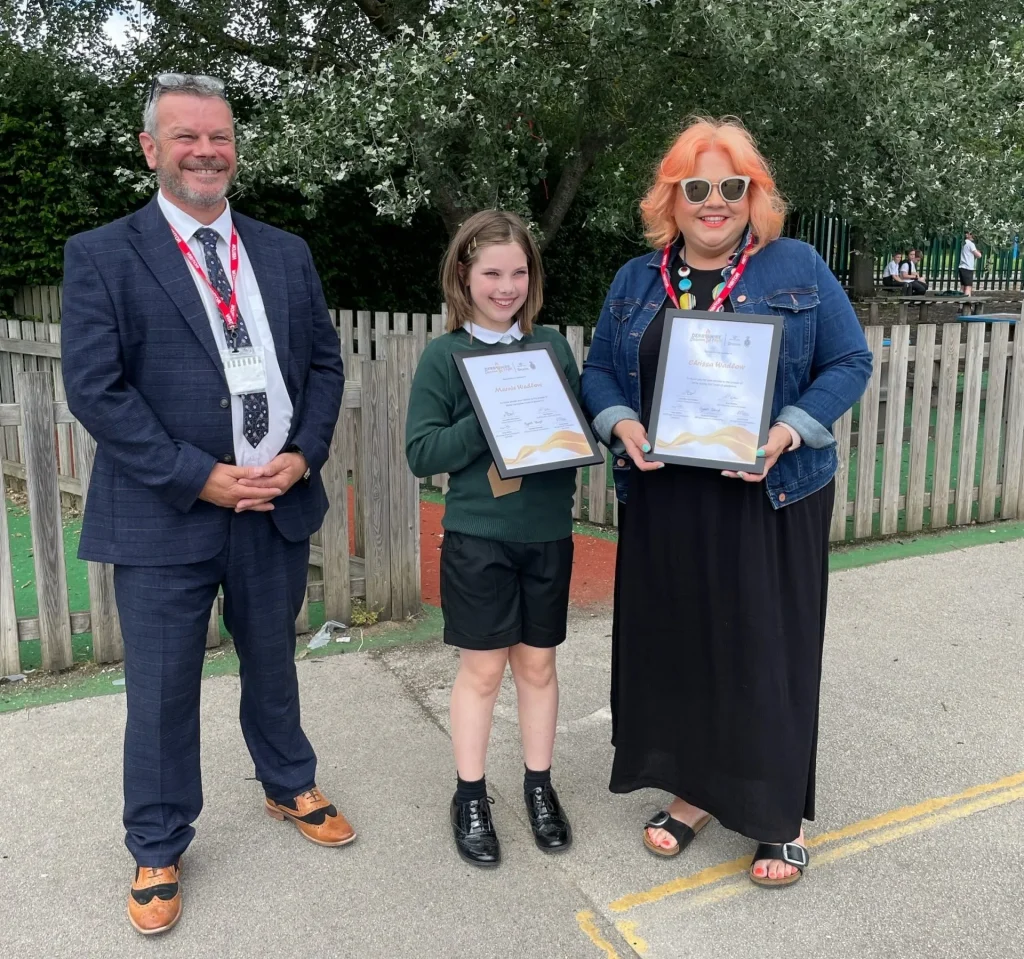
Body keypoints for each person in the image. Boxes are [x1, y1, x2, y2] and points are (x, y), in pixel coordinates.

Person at [61, 74, 350, 936]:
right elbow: (97, 389)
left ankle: (288, 781)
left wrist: (302, 456)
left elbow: (324, 365)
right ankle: (157, 841)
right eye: (186, 136)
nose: (206, 151)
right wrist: (199, 475)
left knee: (273, 657)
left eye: (219, 136)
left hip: (273, 504)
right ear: (151, 148)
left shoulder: (285, 251)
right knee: (160, 687)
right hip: (166, 511)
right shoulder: (103, 254)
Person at [581, 117, 872, 888]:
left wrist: (786, 431)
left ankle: (777, 816)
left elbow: (850, 360)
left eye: (732, 186)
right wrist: (622, 422)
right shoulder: (636, 279)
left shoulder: (795, 264)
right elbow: (599, 372)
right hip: (667, 494)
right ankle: (694, 792)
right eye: (697, 187)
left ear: (753, 195)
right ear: (671, 199)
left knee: (766, 653)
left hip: (769, 494)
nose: (715, 201)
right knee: (684, 646)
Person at [405, 210, 578, 868]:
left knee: (538, 666)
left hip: (547, 532)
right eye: (492, 273)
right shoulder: (445, 356)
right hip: (478, 536)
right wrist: (490, 412)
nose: (506, 287)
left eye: (519, 273)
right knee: (482, 671)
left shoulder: (552, 346)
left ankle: (538, 786)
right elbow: (423, 452)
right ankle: (471, 795)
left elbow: (575, 429)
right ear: (464, 275)